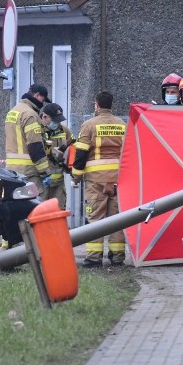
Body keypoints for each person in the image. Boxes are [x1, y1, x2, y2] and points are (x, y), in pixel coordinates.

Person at [71, 91, 127, 267]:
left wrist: (76, 177)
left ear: (96, 105)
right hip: (118, 179)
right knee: (116, 219)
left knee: (95, 218)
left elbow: (80, 153)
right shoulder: (122, 124)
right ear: (111, 105)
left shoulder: (89, 125)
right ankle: (117, 256)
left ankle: (94, 257)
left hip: (96, 180)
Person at [5, 84, 52, 193]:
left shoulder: (13, 111)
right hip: (28, 172)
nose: (43, 103)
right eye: (43, 99)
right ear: (37, 95)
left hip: (12, 169)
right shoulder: (30, 114)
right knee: (33, 206)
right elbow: (35, 146)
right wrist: (45, 172)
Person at [39, 102, 75, 208]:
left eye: (59, 120)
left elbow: (73, 147)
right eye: (55, 120)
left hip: (58, 183)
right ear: (45, 117)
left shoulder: (64, 130)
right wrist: (50, 151)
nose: (57, 123)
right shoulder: (37, 130)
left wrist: (70, 162)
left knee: (59, 211)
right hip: (43, 182)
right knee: (40, 213)